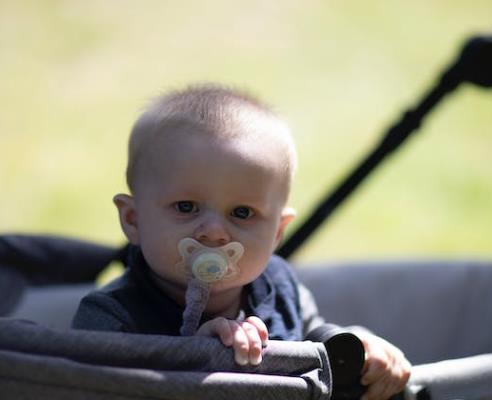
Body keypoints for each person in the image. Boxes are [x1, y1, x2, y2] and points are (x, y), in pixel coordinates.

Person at [72, 83, 410, 400]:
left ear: (276, 233)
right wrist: (195, 360)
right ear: (134, 220)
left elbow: (313, 338)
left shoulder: (281, 289)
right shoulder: (110, 320)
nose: (214, 232)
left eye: (242, 213)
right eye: (186, 207)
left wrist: (358, 346)